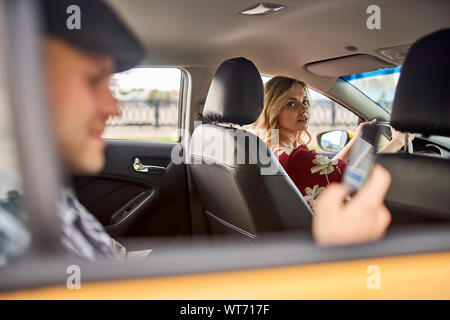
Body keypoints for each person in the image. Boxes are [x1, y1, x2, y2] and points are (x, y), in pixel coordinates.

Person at [0, 0, 400, 264]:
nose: (114, 107)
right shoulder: (12, 240)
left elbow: (109, 269)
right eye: (92, 80)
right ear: (14, 83)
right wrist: (332, 258)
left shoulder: (37, 200)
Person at [251, 76, 413, 208]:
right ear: (273, 110)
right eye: (291, 103)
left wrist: (355, 141)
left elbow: (329, 169)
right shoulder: (296, 158)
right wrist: (398, 141)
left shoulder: (274, 150)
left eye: (305, 101)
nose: (303, 109)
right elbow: (361, 176)